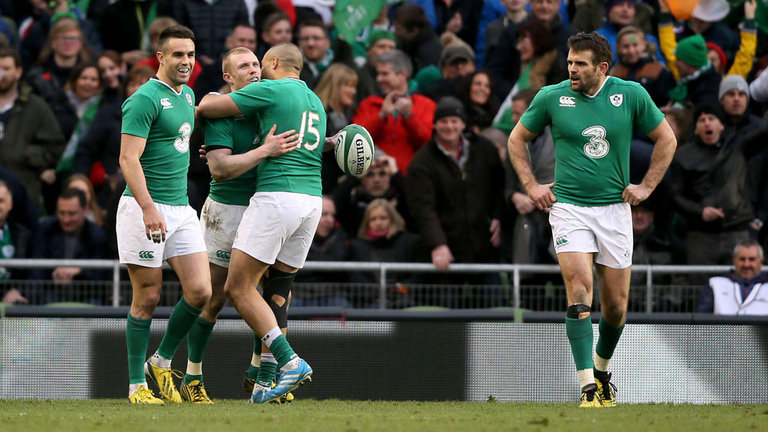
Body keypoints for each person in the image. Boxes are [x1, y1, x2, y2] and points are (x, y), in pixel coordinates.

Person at [507, 33, 677, 407]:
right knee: (580, 288)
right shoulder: (550, 97)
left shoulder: (630, 94)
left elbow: (667, 139)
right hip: (568, 208)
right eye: (569, 62)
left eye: (580, 64)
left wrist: (646, 186)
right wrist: (532, 184)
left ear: (602, 68)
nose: (571, 69)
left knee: (615, 307)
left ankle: (601, 370)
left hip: (614, 211)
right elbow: (516, 140)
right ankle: (587, 387)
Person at [197, 42, 322, 404]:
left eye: (259, 63)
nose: (256, 71)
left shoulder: (271, 88)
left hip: (277, 197)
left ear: (273, 62)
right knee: (277, 292)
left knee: (239, 288)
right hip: (312, 200)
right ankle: (265, 378)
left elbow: (209, 105)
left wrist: (204, 102)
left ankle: (290, 361)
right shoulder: (314, 101)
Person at [117, 26, 212, 405]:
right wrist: (147, 208)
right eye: (177, 55)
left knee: (201, 291)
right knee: (148, 296)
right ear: (160, 57)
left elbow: (173, 146)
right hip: (145, 208)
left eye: (190, 54)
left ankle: (161, 359)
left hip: (180, 208)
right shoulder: (143, 99)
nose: (186, 61)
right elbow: (128, 158)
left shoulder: (188, 95)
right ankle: (136, 386)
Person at [406, 96, 505, 308]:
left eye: (454, 120)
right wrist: (438, 244)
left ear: (463, 123)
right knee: (448, 320)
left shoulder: (485, 150)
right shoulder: (422, 162)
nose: (449, 126)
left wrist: (498, 217)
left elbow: (499, 187)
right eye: (443, 121)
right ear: (434, 124)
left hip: (483, 250)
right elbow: (423, 209)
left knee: (494, 314)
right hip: (447, 256)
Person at [670, 105, 766, 265]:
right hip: (700, 235)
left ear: (721, 125)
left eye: (712, 119)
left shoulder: (738, 147)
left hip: (737, 231)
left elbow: (763, 133)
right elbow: (674, 195)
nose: (707, 123)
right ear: (695, 129)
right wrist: (700, 211)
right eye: (702, 120)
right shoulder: (683, 157)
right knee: (698, 288)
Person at [0, 47, 66, 215]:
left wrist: (28, 154)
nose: (1, 74)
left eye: (6, 69)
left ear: (18, 72)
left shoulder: (35, 107)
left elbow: (55, 146)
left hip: (22, 190)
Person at [351, 49, 436, 174]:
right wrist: (381, 116)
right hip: (375, 179)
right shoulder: (369, 104)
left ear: (403, 75)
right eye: (378, 74)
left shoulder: (425, 105)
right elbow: (355, 141)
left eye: (385, 74)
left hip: (413, 178)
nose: (379, 79)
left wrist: (409, 117)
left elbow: (430, 144)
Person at [29, 187, 109, 304]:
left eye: (72, 214)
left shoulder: (97, 235)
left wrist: (80, 271)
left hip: (86, 296)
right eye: (61, 213)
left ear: (85, 210)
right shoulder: (45, 230)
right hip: (51, 294)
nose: (66, 219)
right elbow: (36, 269)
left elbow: (102, 275)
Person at [349, 198, 426, 308]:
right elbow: (356, 277)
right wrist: (377, 291)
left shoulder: (410, 242)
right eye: (373, 219)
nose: (378, 223)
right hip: (370, 302)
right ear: (367, 223)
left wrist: (400, 288)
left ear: (393, 219)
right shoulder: (357, 246)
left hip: (405, 301)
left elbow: (418, 274)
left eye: (383, 218)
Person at [696, 241, 768, 315]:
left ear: (761, 262)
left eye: (751, 259)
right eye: (742, 259)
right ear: (734, 261)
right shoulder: (714, 284)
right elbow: (701, 320)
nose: (746, 264)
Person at [0, 180, 33, 305]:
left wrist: (17, 290)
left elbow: (30, 273)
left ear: (10, 204)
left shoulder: (23, 235)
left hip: (11, 298)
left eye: (1, 201)